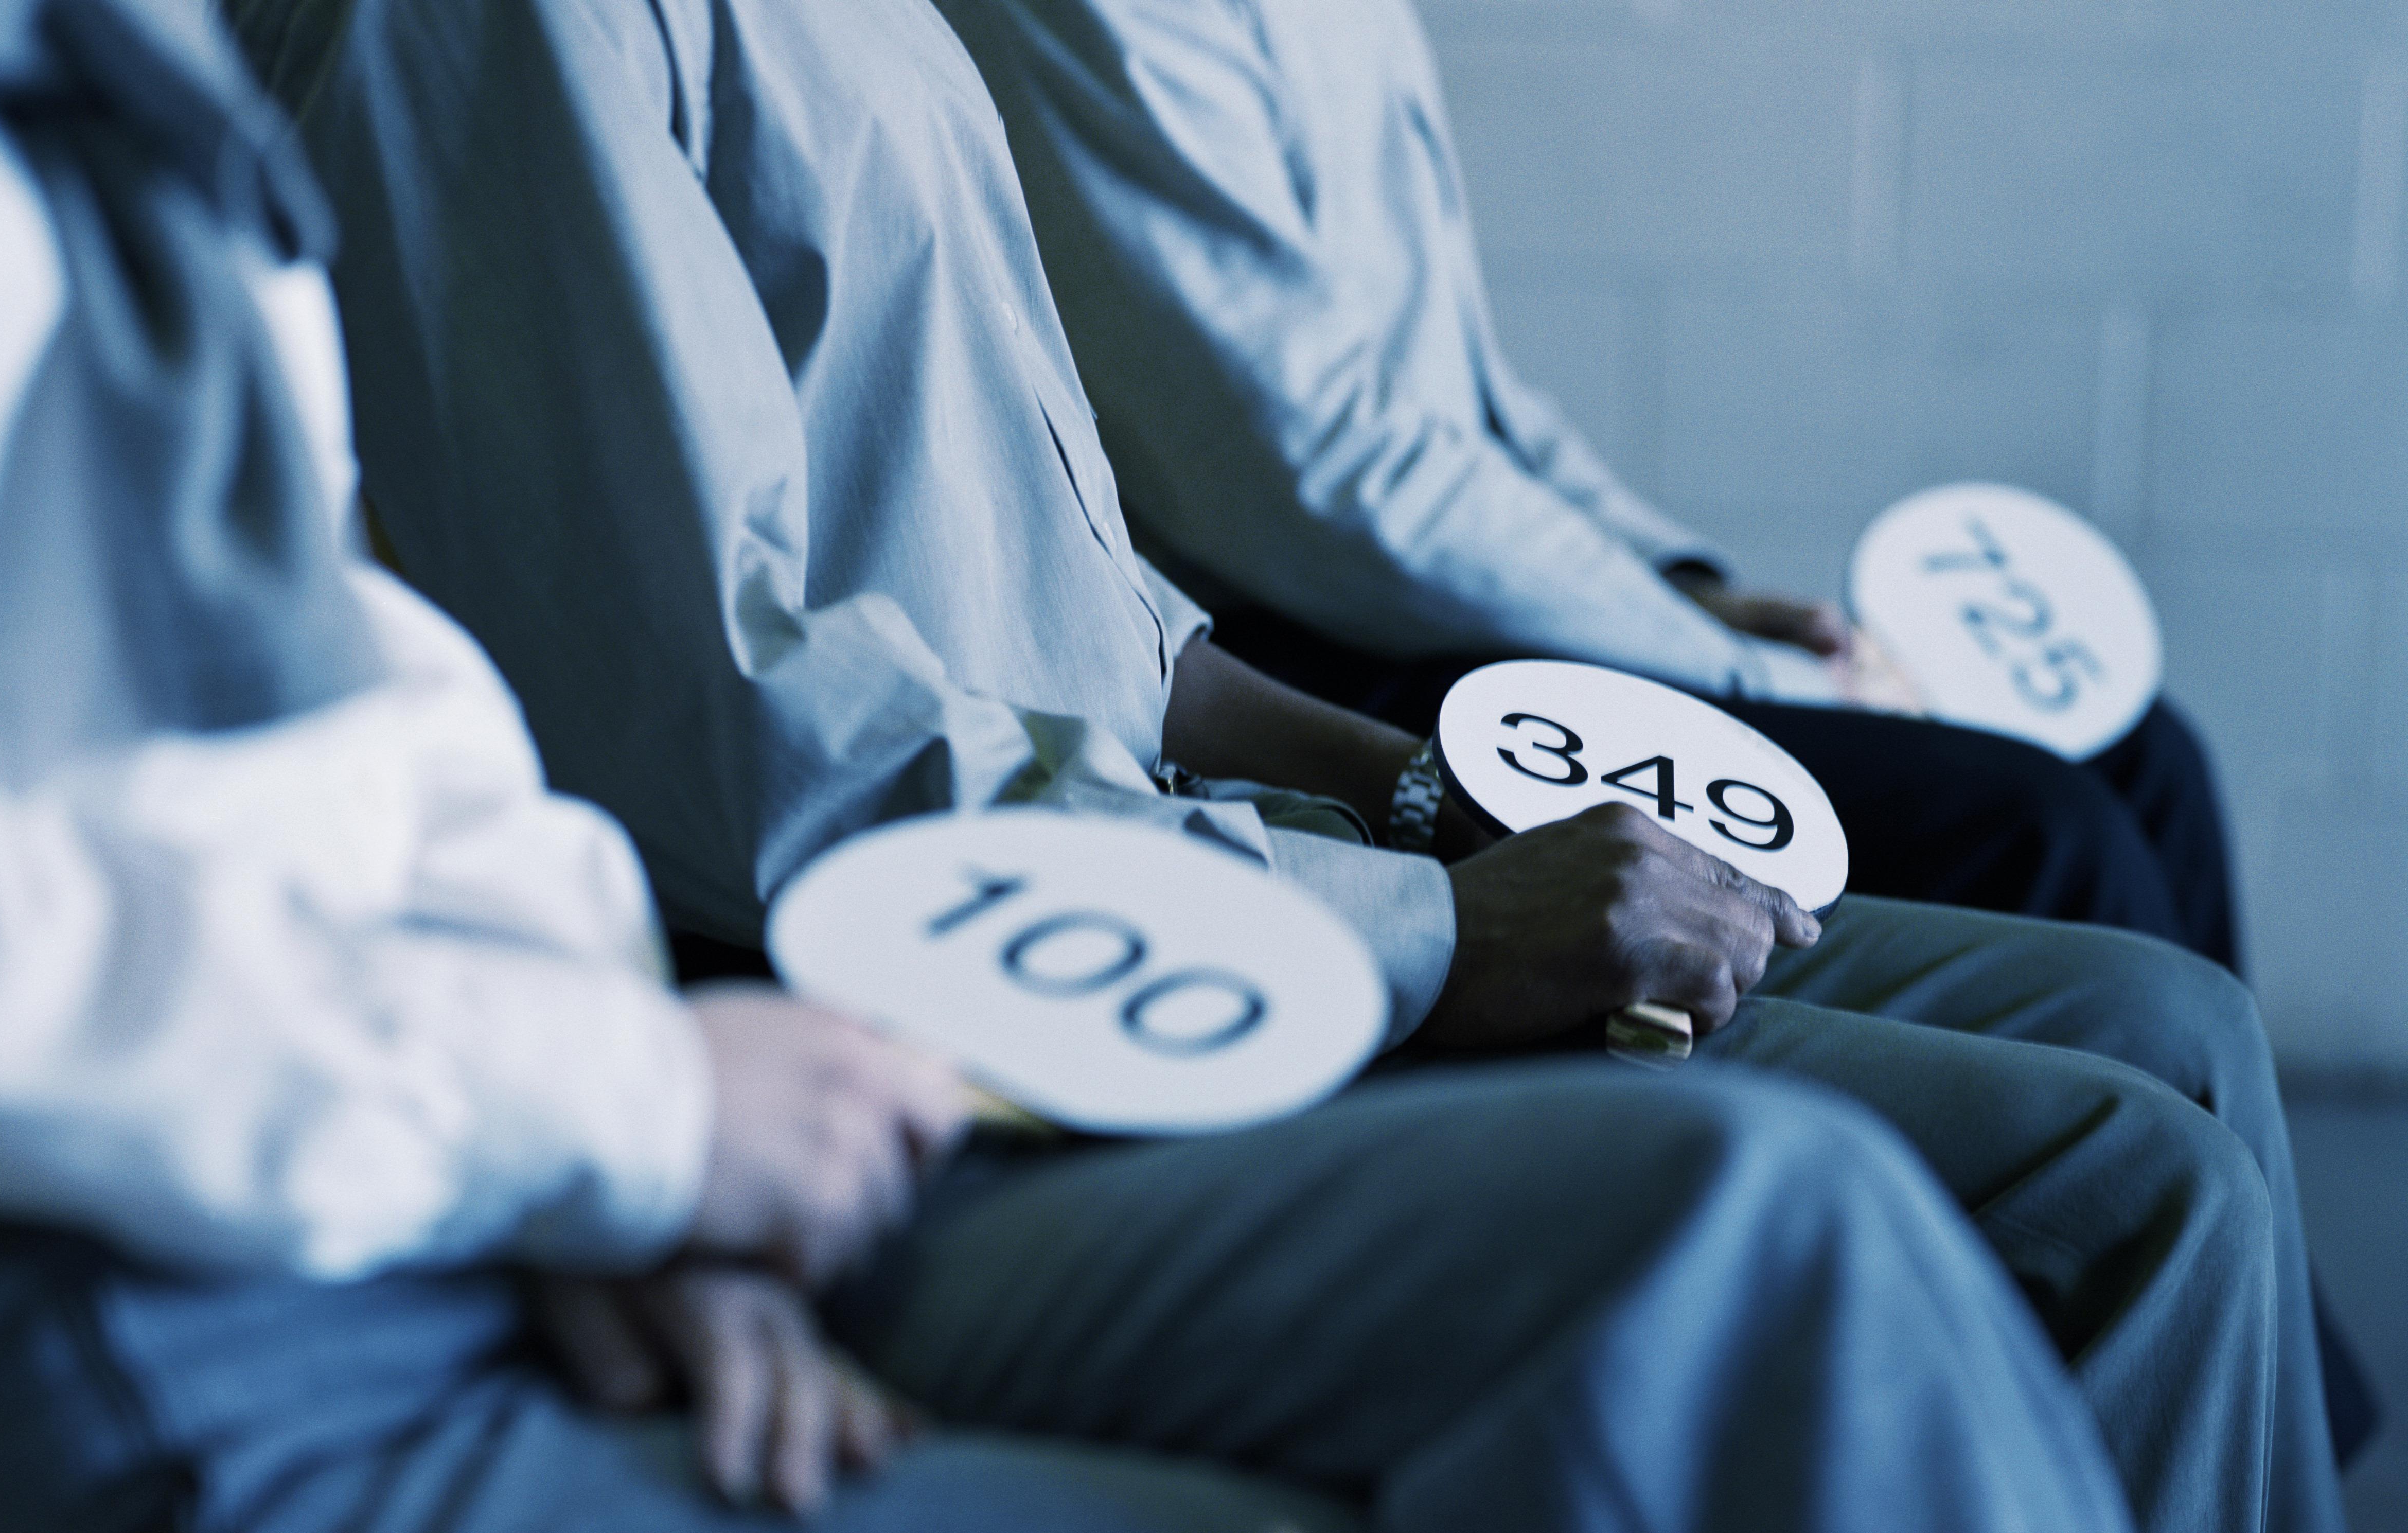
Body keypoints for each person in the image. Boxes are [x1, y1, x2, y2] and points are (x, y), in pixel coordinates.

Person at [0, 7, 2229, 1533]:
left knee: (2126, 1070)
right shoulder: (465, 27)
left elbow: (1047, 607)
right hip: (854, 1013)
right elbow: (750, 743)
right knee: (1805, 1233)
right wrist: (1432, 923)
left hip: (703, 1030)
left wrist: (1434, 801)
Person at [922, 0, 2242, 976]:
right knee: (2046, 832)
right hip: (1296, 658)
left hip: (1427, 603)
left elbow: (1470, 400)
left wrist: (1697, 593)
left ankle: (2263, 1335)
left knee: (2149, 758)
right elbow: (1324, 477)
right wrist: (1751, 677)